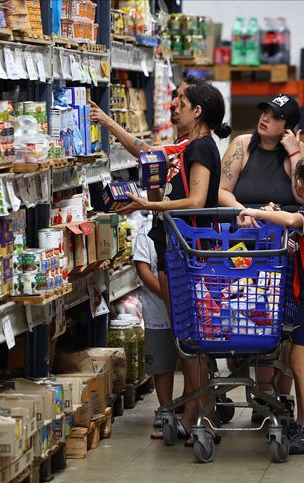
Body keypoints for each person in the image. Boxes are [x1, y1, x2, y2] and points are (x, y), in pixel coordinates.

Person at [116, 82, 231, 445]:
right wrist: (106, 122)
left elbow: (196, 200)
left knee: (191, 338)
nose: (173, 105)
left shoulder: (199, 147)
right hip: (176, 250)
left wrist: (149, 207)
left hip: (190, 253)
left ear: (197, 111)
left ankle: (202, 415)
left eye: (181, 100)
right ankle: (196, 412)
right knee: (187, 338)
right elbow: (144, 151)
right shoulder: (184, 147)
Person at [239, 157, 304, 454]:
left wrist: (257, 211)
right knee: (297, 362)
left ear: (298, 184)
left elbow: (295, 221)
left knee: (299, 363)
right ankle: (302, 422)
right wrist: (276, 213)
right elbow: (298, 237)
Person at [218, 94, 304, 399]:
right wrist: (244, 211)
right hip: (242, 246)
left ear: (287, 126)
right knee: (248, 314)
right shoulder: (243, 145)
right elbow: (222, 190)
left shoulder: (296, 154)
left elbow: (303, 198)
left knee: (280, 320)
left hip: (281, 250)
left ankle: (276, 395)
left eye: (274, 115)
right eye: (265, 111)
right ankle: (258, 382)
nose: (265, 118)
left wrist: (294, 152)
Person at [132, 223, 178, 440]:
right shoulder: (145, 232)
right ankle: (166, 408)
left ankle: (189, 404)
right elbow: (143, 269)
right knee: (162, 365)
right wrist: (168, 296)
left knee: (191, 361)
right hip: (158, 313)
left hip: (186, 310)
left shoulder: (185, 224)